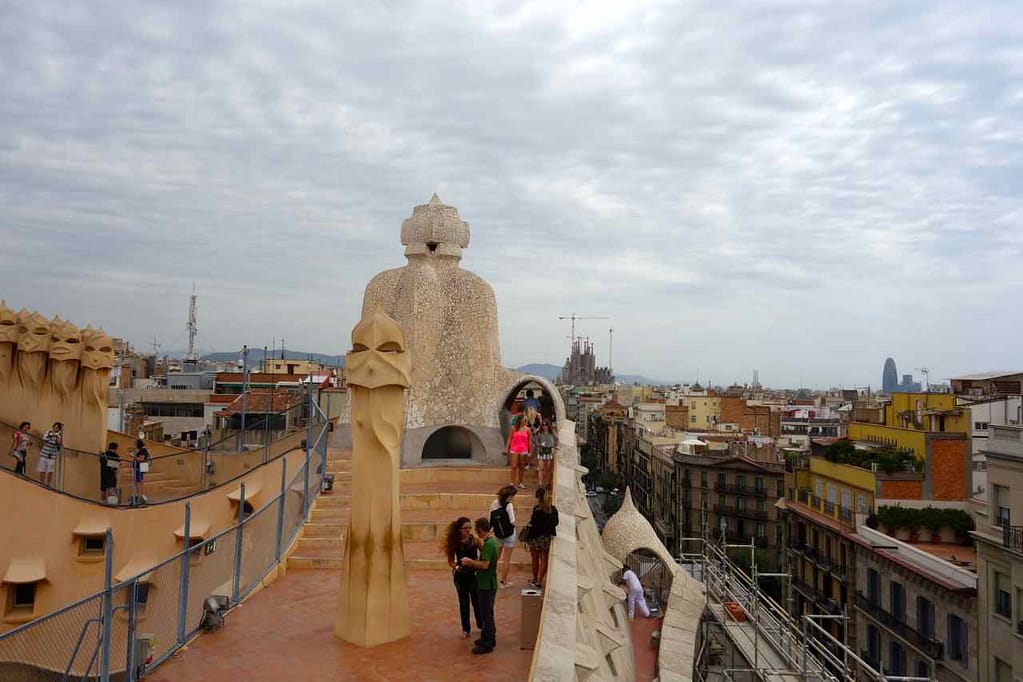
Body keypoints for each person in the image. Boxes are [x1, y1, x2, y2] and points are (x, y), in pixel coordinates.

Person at [459, 517, 499, 655]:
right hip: (488, 583)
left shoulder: (488, 544)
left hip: (487, 585)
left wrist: (470, 562)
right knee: (487, 612)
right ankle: (488, 638)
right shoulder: (492, 542)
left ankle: (487, 642)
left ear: (481, 530)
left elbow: (485, 564)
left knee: (486, 614)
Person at [441, 516, 483, 640]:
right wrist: (457, 568)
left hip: (473, 574)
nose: (468, 530)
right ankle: (466, 629)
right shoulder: (454, 542)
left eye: (470, 527)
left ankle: (480, 625)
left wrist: (477, 564)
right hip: (460, 576)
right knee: (464, 602)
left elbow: (483, 552)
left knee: (476, 600)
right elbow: (450, 561)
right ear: (459, 529)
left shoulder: (474, 540)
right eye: (465, 528)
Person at [526, 486, 559, 589]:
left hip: (535, 538)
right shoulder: (553, 509)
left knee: (535, 559)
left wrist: (528, 537)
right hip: (545, 538)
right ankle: (539, 581)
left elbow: (534, 524)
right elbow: (556, 523)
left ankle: (535, 579)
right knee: (544, 559)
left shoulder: (537, 509)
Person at [488, 485, 517, 588]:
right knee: (506, 559)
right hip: (509, 534)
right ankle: (503, 582)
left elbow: (490, 519)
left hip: (498, 534)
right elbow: (512, 521)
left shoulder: (494, 503)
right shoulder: (509, 505)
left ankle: (490, 577)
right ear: (509, 496)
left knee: (496, 556)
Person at [505, 416, 531, 489]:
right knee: (513, 466)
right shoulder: (514, 428)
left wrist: (530, 451)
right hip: (514, 449)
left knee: (521, 467)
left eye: (526, 419)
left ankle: (521, 482)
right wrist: (506, 448)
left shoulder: (528, 430)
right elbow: (509, 438)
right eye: (524, 419)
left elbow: (530, 441)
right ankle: (512, 483)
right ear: (520, 419)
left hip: (524, 449)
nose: (525, 420)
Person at [38, 422, 62, 488]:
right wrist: (52, 435)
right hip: (44, 454)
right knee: (42, 470)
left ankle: (48, 484)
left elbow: (59, 444)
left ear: (59, 429)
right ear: (53, 427)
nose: (55, 428)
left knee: (50, 471)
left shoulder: (59, 435)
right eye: (55, 427)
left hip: (52, 456)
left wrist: (57, 437)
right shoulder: (48, 432)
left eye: (57, 428)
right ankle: (41, 483)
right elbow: (44, 438)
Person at [535, 421, 557, 487]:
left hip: (549, 451)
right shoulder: (539, 433)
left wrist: (555, 446)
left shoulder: (552, 433)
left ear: (548, 426)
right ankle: (540, 483)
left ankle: (547, 483)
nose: (544, 426)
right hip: (541, 451)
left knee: (548, 468)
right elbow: (536, 442)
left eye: (546, 425)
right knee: (541, 468)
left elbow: (557, 439)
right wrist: (540, 445)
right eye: (543, 425)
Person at [131, 438, 151, 505]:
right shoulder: (145, 449)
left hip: (138, 468)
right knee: (141, 481)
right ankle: (140, 495)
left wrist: (133, 457)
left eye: (135, 444)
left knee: (138, 482)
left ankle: (139, 496)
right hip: (141, 467)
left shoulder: (142, 450)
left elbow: (141, 459)